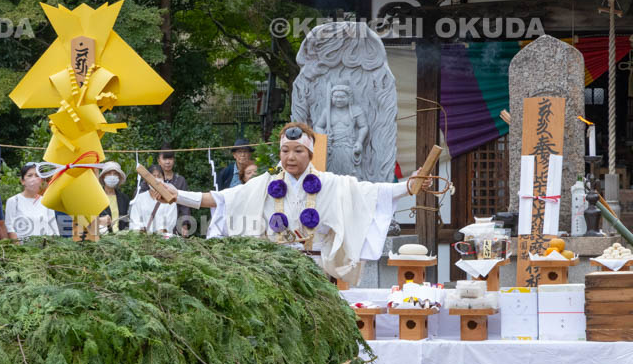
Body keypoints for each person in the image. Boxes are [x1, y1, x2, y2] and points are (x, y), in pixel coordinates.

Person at [152, 122, 430, 285]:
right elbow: (223, 199)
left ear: (309, 153)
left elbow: (372, 192)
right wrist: (177, 194)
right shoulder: (265, 181)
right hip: (275, 270)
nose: (291, 157)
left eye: (298, 151)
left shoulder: (330, 182)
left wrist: (408, 186)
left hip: (318, 271)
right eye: (285, 151)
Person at [4, 162, 58, 241]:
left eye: (37, 176)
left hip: (44, 249)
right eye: (29, 175)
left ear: (41, 180)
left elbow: (53, 229)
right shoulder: (14, 201)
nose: (33, 178)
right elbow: (9, 227)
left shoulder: (46, 202)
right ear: (22, 181)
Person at [128, 163, 178, 235]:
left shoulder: (170, 199)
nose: (156, 179)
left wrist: (160, 233)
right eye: (153, 177)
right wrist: (141, 232)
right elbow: (135, 222)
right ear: (147, 180)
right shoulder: (139, 199)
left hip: (164, 241)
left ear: (163, 179)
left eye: (159, 176)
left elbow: (169, 223)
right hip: (142, 241)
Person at [157, 146, 193, 237]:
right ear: (159, 160)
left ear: (174, 160)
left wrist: (184, 225)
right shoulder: (154, 180)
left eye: (170, 158)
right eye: (165, 158)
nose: (168, 162)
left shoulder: (180, 180)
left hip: (175, 225)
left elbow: (185, 205)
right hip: (155, 224)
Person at [96, 161, 130, 234]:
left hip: (122, 238)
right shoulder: (96, 197)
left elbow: (126, 220)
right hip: (102, 239)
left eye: (115, 174)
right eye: (109, 173)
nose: (112, 176)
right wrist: (99, 220)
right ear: (103, 176)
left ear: (119, 178)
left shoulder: (124, 198)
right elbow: (87, 220)